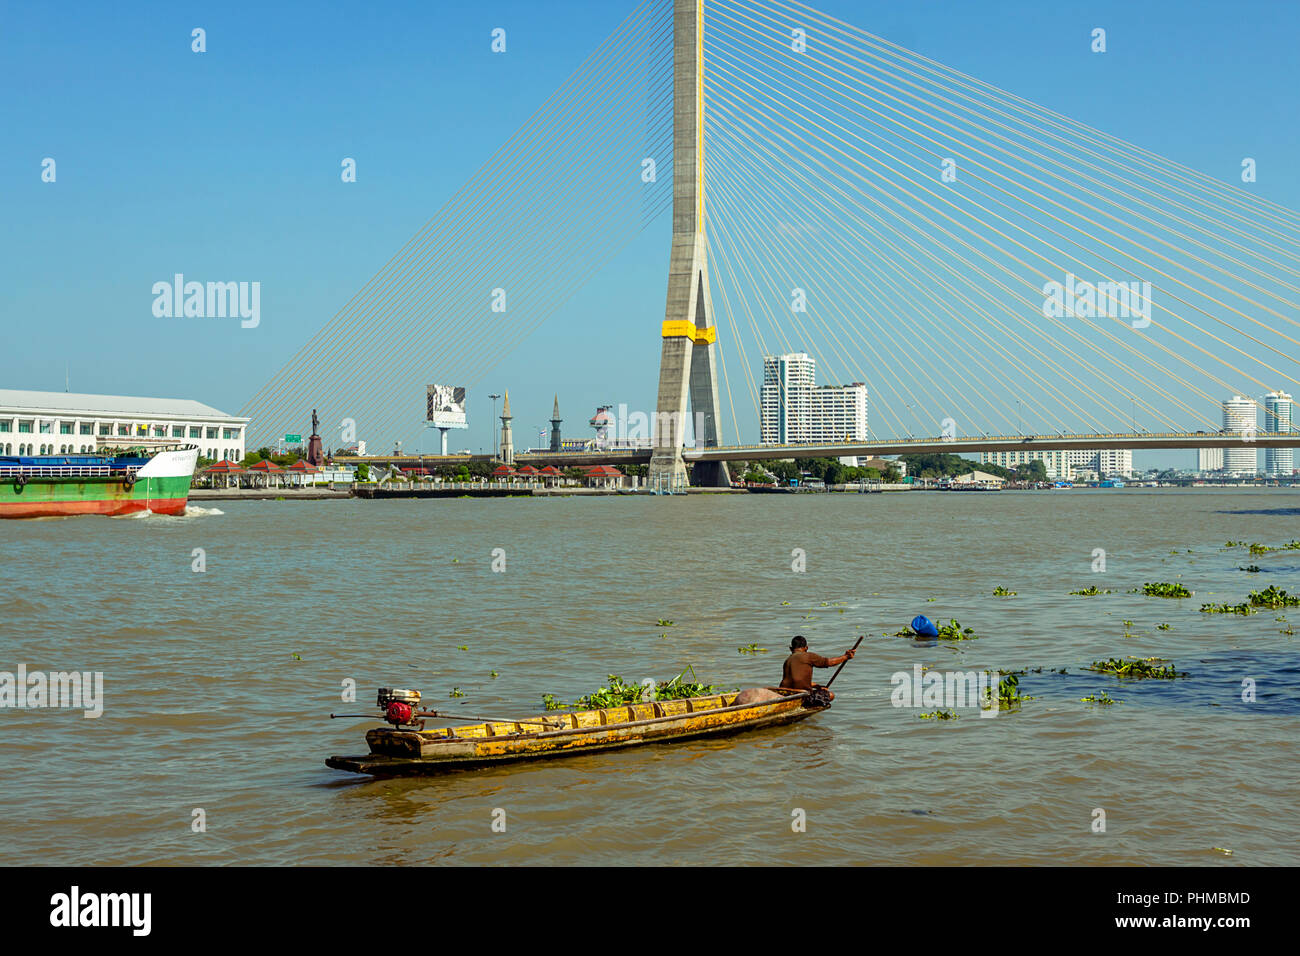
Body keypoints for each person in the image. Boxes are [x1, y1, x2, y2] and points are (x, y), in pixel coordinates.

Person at [779, 635, 856, 701]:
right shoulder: (808, 656)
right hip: (801, 694)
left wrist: (817, 686)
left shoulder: (788, 660)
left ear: (791, 649)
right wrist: (846, 657)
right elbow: (829, 662)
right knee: (831, 695)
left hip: (785, 693)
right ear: (806, 648)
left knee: (820, 691)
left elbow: (796, 680)